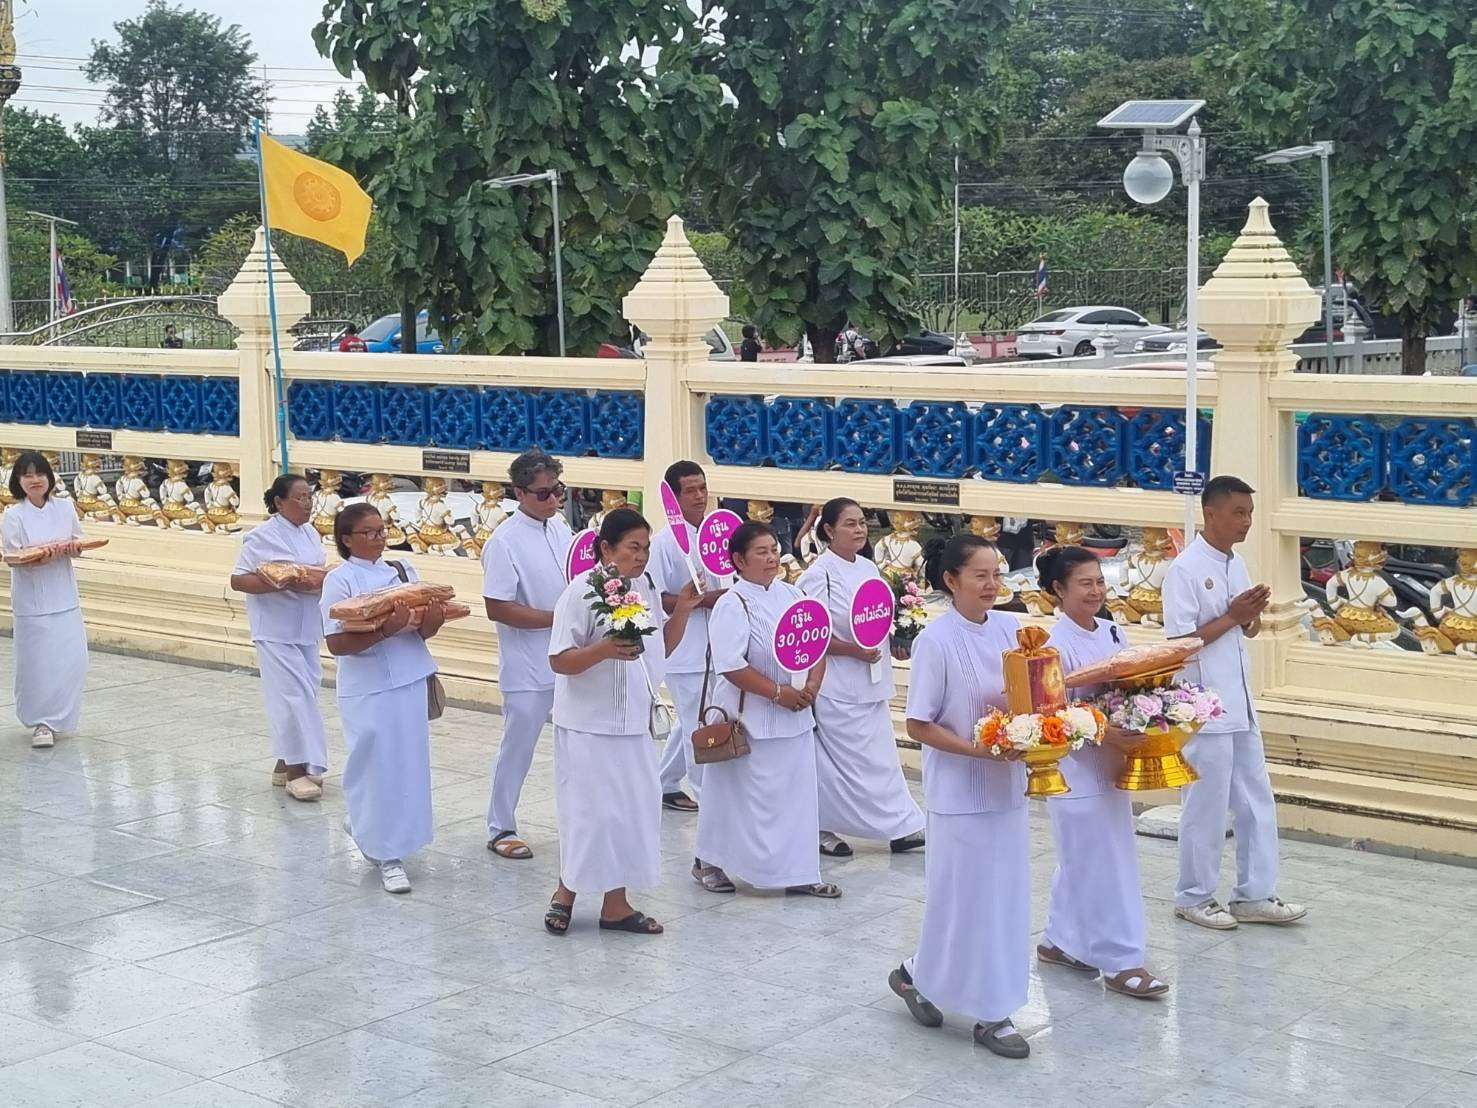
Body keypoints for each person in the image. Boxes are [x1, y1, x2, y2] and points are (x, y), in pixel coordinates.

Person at [888, 534, 1032, 1059]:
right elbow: (919, 724)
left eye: (997, 574)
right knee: (962, 903)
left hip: (1008, 789)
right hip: (959, 794)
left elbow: (1036, 692)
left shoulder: (1013, 630)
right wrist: (978, 751)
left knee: (1004, 902)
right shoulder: (936, 640)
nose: (992, 585)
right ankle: (989, 1013)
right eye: (980, 575)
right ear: (951, 580)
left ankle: (919, 975)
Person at [543, 508, 701, 936]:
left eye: (646, 548)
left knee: (631, 813)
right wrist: (603, 650)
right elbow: (560, 659)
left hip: (632, 722)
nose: (642, 556)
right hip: (587, 725)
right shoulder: (580, 591)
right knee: (588, 814)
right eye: (633, 547)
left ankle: (616, 905)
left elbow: (660, 649)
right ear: (605, 548)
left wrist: (683, 611)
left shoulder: (644, 588)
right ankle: (565, 894)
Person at [1164, 476, 1306, 929]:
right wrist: (1232, 616)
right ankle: (1194, 896)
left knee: (1256, 799)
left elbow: (1249, 629)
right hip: (1202, 706)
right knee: (1205, 805)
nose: (1246, 522)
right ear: (1211, 513)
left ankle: (1254, 893)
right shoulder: (1185, 570)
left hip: (1240, 700)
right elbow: (1179, 644)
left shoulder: (1237, 563)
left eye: (1249, 513)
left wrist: (1249, 617)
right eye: (1238, 513)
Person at [1038, 545, 1167, 999]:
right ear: (1059, 589)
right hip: (1076, 768)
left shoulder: (1112, 631)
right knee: (1102, 865)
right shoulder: (1054, 645)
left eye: (1099, 582)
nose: (1095, 591)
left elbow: (1127, 684)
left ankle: (1058, 940)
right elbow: (1051, 712)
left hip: (1113, 762)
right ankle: (1120, 961)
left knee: (1090, 856)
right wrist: (1102, 731)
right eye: (1085, 584)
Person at [692, 521, 839, 898]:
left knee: (796, 797)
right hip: (748, 717)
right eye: (761, 552)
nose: (772, 557)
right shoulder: (732, 603)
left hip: (795, 714)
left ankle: (799, 870)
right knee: (735, 794)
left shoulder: (793, 595)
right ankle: (710, 860)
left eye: (774, 549)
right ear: (739, 560)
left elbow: (816, 644)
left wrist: (811, 687)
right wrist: (776, 693)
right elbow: (730, 664)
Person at [322, 503, 445, 894]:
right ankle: (385, 855)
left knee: (406, 765)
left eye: (382, 530)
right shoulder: (340, 580)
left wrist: (431, 621)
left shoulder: (403, 571)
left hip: (409, 677)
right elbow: (336, 642)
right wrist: (384, 630)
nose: (379, 538)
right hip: (368, 685)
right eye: (369, 532)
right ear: (347, 539)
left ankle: (383, 832)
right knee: (374, 764)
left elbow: (422, 631)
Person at [798, 497, 924, 857]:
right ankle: (822, 827)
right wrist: (851, 650)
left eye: (862, 522)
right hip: (836, 683)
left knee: (881, 759)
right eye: (850, 523)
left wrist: (897, 639)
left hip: (872, 680)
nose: (859, 530)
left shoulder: (869, 568)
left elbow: (877, 620)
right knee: (840, 765)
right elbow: (810, 633)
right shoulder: (818, 575)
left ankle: (900, 825)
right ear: (828, 530)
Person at [481, 447, 574, 861]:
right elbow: (498, 607)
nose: (553, 499)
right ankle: (500, 826)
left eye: (558, 490)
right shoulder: (504, 542)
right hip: (528, 665)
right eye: (543, 493)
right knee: (518, 746)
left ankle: (578, 820)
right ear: (519, 493)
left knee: (576, 743)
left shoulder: (562, 528)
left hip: (570, 659)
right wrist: (558, 619)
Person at [230, 475, 329, 802]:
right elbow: (239, 580)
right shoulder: (261, 536)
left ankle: (284, 764)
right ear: (279, 502)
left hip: (307, 627)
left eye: (310, 496)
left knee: (308, 692)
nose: (307, 503)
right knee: (291, 697)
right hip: (275, 630)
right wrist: (281, 581)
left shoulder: (311, 534)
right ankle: (297, 772)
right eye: (300, 498)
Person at [651, 460, 725, 812]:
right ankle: (709, 801)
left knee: (693, 719)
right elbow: (656, 598)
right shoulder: (663, 544)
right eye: (690, 491)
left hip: (721, 646)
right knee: (699, 726)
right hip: (684, 650)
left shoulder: (722, 534)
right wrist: (696, 601)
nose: (699, 496)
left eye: (702, 488)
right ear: (674, 497)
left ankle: (663, 782)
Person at [1, 451, 88, 749]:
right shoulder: (14, 516)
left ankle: (62, 716)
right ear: (18, 481)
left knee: (73, 659)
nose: (34, 480)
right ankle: (41, 723)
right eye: (27, 475)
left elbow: (78, 542)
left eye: (39, 474)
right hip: (32, 602)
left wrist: (71, 549)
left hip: (64, 595)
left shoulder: (64, 508)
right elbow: (13, 557)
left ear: (49, 478)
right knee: (38, 663)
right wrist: (38, 558)